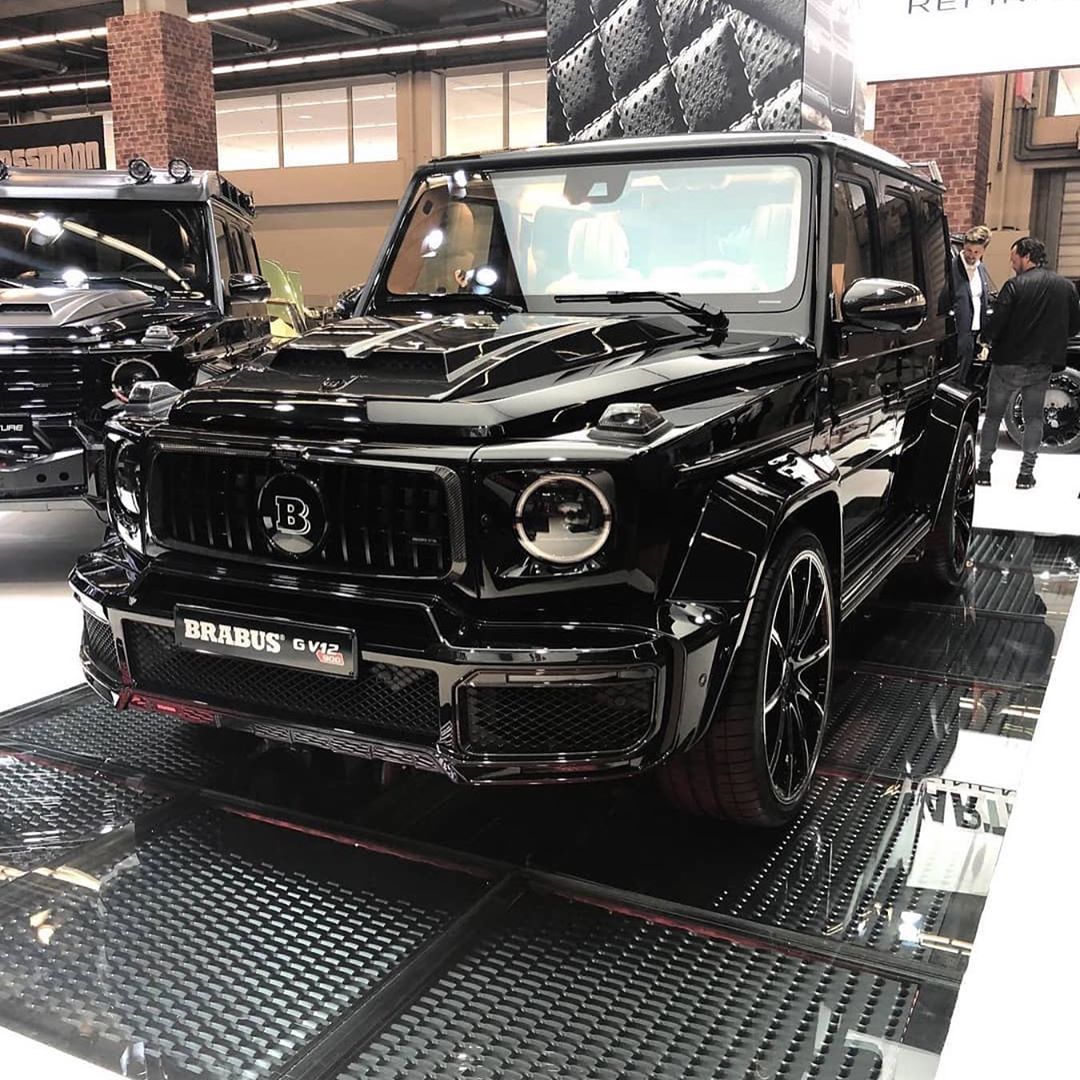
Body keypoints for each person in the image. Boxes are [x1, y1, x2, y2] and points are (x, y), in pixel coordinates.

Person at [977, 236, 1080, 489]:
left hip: (1007, 363)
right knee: (1034, 418)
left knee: (993, 417)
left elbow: (997, 323)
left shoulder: (1014, 285)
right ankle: (1025, 475)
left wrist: (985, 339)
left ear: (1026, 256)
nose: (1011, 262)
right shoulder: (1066, 287)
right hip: (1041, 364)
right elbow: (1074, 326)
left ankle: (983, 471)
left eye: (1013, 257)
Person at [950, 224, 994, 386]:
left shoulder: (981, 267)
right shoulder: (952, 267)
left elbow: (982, 298)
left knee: (966, 376)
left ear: (983, 251)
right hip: (957, 330)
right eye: (969, 250)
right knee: (955, 376)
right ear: (963, 246)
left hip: (974, 330)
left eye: (977, 252)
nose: (972, 255)